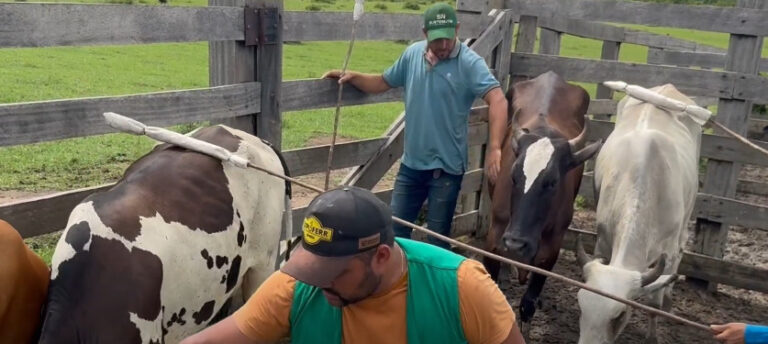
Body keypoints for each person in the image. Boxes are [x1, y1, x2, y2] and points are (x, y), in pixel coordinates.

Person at [181, 186, 525, 344]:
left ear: (381, 257)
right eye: (312, 267)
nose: (319, 283)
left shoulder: (461, 287)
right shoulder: (300, 287)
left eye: (334, 272)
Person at [321, 2, 508, 250]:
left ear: (457, 29)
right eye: (436, 40)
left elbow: (498, 99)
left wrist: (495, 147)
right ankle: (401, 282)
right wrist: (354, 77)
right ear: (424, 33)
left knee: (437, 238)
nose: (443, 46)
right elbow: (383, 82)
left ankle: (432, 285)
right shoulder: (412, 55)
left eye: (448, 39)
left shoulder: (469, 63)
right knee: (395, 231)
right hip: (412, 165)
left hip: (447, 168)